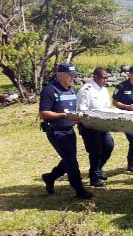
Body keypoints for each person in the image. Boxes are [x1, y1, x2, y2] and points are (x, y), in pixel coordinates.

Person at [39, 63, 93, 199]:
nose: (73, 78)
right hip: (56, 131)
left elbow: (76, 110)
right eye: (70, 76)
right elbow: (44, 113)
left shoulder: (72, 91)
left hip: (69, 130)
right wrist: (64, 115)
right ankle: (79, 190)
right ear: (60, 75)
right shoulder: (49, 90)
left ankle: (50, 177)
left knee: (68, 160)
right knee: (71, 161)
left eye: (74, 76)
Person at [77, 67, 114, 187]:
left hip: (102, 125)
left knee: (109, 146)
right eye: (104, 78)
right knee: (95, 151)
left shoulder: (104, 90)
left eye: (107, 77)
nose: (106, 80)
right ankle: (94, 177)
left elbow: (107, 107)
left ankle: (97, 169)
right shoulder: (86, 90)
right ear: (96, 77)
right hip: (89, 126)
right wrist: (87, 123)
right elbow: (82, 110)